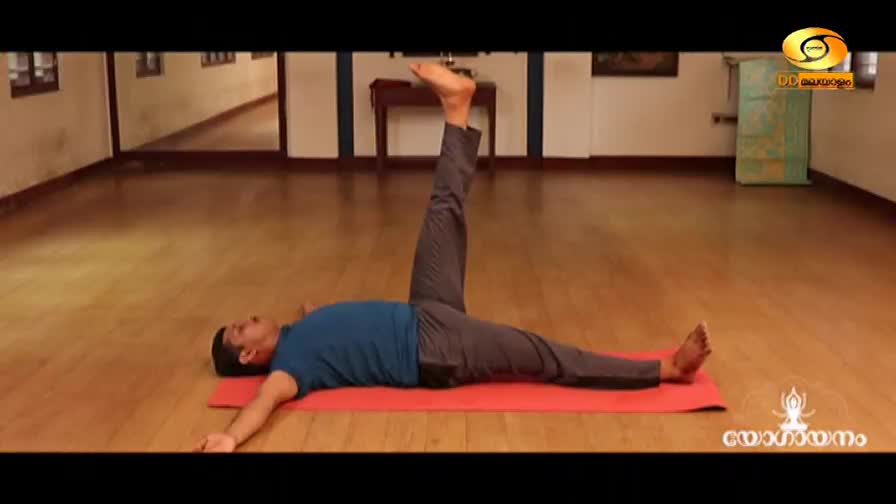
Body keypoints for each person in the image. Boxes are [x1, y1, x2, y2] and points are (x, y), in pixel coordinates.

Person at [194, 62, 712, 453]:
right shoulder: (288, 368)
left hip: (423, 309)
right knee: (545, 356)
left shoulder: (298, 333)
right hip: (434, 348)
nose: (245, 321)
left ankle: (457, 109)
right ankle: (665, 369)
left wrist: (316, 315)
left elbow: (342, 335)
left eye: (239, 322)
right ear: (248, 357)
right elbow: (262, 404)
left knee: (443, 210)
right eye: (239, 331)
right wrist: (230, 439)